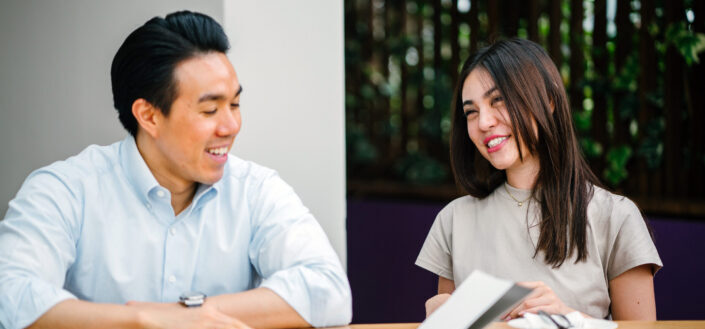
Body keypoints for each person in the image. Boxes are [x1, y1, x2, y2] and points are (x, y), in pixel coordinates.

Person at [0, 10, 351, 329]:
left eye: (235, 104)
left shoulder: (255, 189)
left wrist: (190, 315)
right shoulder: (65, 190)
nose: (230, 126)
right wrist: (140, 320)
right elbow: (9, 294)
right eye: (210, 110)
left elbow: (329, 290)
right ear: (149, 116)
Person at [415, 38, 662, 320]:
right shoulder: (453, 221)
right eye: (471, 112)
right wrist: (442, 317)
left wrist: (568, 318)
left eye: (499, 100)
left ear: (549, 101)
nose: (484, 122)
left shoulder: (616, 217)